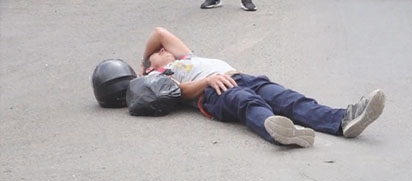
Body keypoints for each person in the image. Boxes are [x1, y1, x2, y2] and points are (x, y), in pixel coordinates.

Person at [140, 27, 385, 147]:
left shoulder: (185, 58)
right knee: (245, 101)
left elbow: (159, 33)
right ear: (150, 70)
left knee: (288, 98)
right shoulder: (161, 77)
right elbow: (180, 92)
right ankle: (281, 132)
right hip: (212, 91)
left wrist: (147, 58)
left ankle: (343, 121)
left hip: (240, 76)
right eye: (156, 54)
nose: (162, 50)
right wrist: (147, 69)